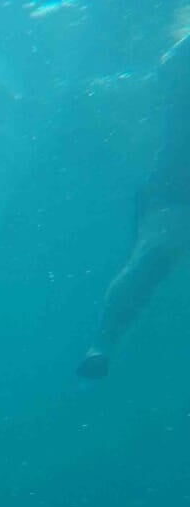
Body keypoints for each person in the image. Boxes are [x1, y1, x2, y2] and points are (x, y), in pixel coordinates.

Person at [78, 33, 190, 379]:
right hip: (175, 185)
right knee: (153, 258)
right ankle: (103, 344)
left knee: (153, 259)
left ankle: (104, 345)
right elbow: (168, 67)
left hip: (172, 186)